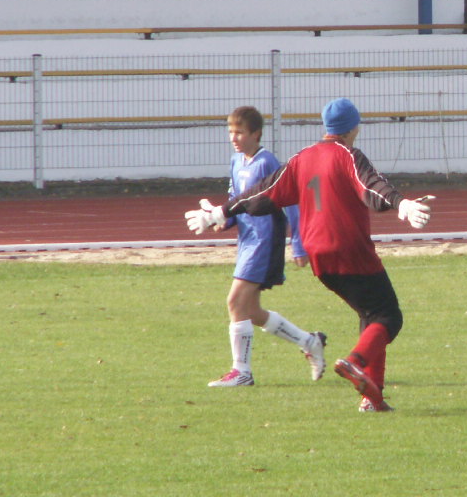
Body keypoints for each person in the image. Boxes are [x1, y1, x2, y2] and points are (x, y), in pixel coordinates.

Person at [185, 96, 436, 412]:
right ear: (353, 127)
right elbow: (371, 186)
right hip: (348, 249)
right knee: (388, 316)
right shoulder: (347, 155)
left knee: (370, 315)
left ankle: (372, 399)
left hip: (320, 258)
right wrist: (401, 204)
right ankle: (354, 362)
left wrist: (221, 211)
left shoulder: (303, 158)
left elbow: (262, 193)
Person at [196, 106, 327, 388]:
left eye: (240, 132)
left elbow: (291, 202)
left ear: (256, 133)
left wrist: (300, 245)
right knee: (251, 312)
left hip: (265, 242)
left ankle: (241, 371)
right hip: (247, 241)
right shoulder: (236, 161)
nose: (234, 137)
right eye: (231, 131)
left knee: (234, 302)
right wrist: (223, 222)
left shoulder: (268, 162)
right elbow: (235, 199)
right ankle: (310, 341)